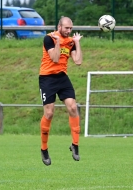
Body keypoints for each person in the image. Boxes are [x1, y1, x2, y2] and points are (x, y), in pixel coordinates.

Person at [38, 17, 83, 166]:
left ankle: (75, 145)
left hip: (62, 77)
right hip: (47, 78)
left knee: (73, 107)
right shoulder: (49, 38)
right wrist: (58, 42)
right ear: (59, 26)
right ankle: (44, 148)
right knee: (49, 113)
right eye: (66, 28)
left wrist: (76, 42)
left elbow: (78, 61)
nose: (69, 31)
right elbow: (55, 58)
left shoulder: (70, 41)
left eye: (70, 28)